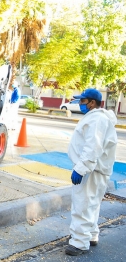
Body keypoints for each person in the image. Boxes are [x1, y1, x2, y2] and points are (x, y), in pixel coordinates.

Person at [65, 88, 117, 256]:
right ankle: (91, 235)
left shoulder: (96, 119)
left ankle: (79, 242)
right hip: (96, 169)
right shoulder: (99, 118)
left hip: (90, 170)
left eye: (82, 101)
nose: (80, 104)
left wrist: (80, 169)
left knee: (82, 205)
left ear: (92, 103)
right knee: (92, 205)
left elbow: (92, 146)